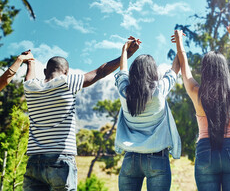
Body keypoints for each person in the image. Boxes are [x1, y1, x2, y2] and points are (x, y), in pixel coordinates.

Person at [22, 36, 140, 191]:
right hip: (60, 160)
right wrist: (126, 55)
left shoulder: (30, 88)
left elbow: (29, 76)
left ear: (45, 71)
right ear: (66, 72)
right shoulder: (67, 82)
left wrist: (30, 62)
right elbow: (101, 71)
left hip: (34, 162)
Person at [172, 23, 230, 191]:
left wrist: (179, 43)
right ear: (224, 72)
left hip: (206, 150)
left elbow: (185, 68)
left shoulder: (196, 92)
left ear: (204, 71)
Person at [114, 40, 181, 191]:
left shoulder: (124, 92)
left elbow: (122, 71)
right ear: (153, 72)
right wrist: (179, 44)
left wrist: (124, 50)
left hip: (130, 159)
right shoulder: (159, 90)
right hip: (157, 157)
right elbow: (175, 69)